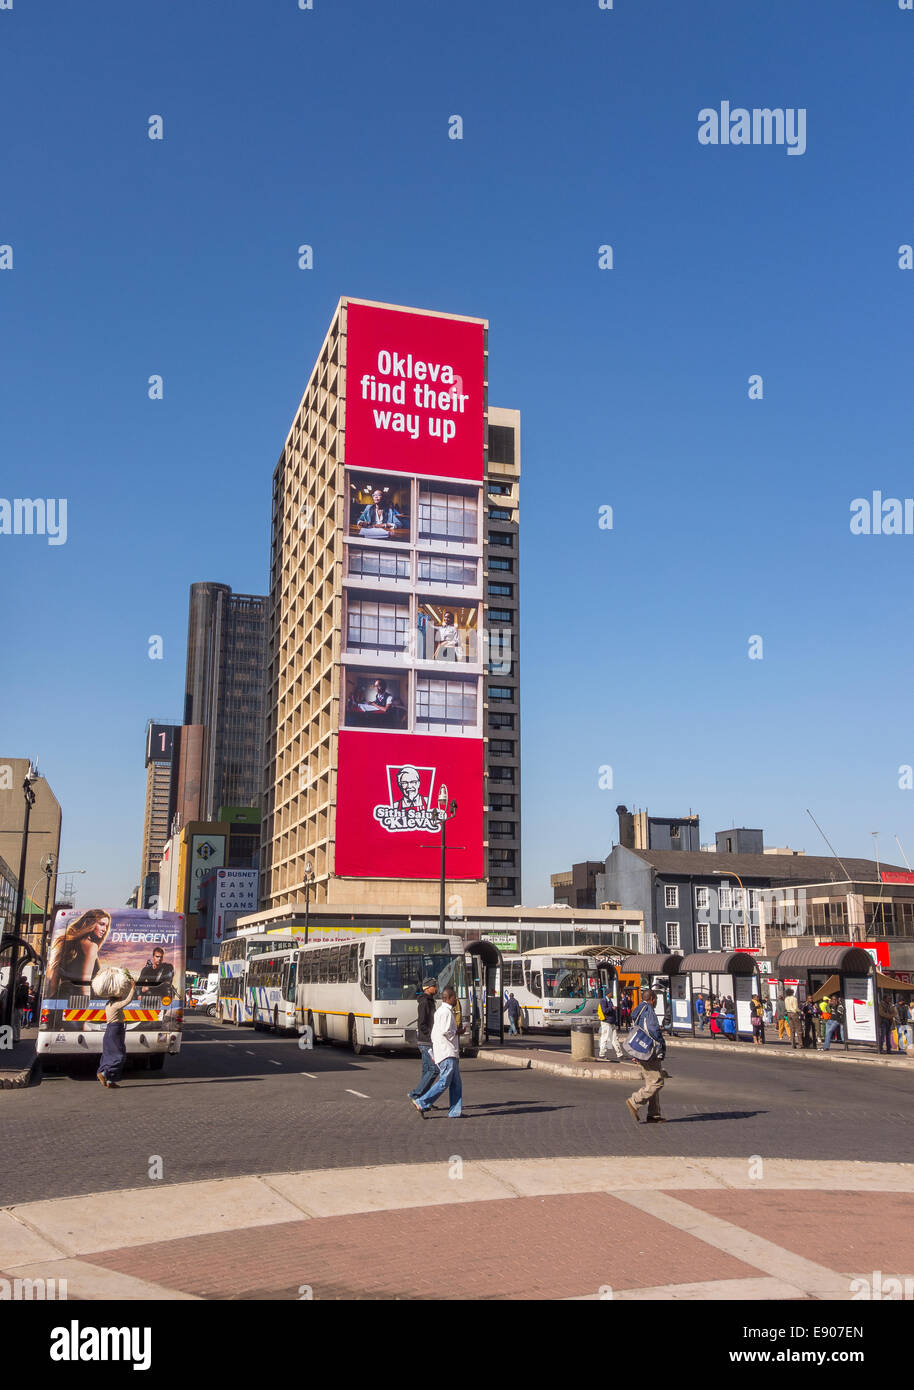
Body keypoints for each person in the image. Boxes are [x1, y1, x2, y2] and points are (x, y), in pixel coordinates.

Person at [412, 985, 462, 1117]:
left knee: (456, 1084)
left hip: (448, 1051)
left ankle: (455, 1112)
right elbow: (447, 1032)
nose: (456, 999)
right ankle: (422, 1102)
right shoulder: (445, 1012)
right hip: (447, 1052)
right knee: (444, 1081)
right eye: (455, 997)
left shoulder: (440, 1011)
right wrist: (458, 1032)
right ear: (449, 998)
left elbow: (435, 1033)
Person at [44, 908, 111, 995]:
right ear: (90, 923)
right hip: (79, 1000)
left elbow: (54, 975)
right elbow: (84, 984)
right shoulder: (91, 946)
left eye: (106, 926)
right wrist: (86, 1005)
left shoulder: (67, 942)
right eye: (102, 924)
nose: (104, 929)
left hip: (61, 995)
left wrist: (51, 999)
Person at [625, 989, 667, 1123]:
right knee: (657, 1082)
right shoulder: (648, 1010)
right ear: (653, 999)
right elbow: (653, 1030)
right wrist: (661, 1046)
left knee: (650, 1081)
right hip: (650, 1051)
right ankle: (635, 1100)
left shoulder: (639, 1009)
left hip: (640, 1049)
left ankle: (653, 1114)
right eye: (656, 1000)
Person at [97, 973, 136, 1088]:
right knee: (119, 1055)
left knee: (108, 1054)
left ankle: (110, 1081)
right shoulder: (116, 1005)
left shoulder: (108, 1004)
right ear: (117, 997)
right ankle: (104, 1074)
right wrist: (133, 988)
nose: (121, 996)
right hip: (116, 1030)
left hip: (109, 1031)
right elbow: (128, 1000)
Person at [408, 977, 439, 1103]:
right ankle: (416, 1095)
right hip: (426, 1042)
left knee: (426, 1071)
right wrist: (431, 1036)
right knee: (434, 1070)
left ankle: (423, 1100)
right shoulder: (425, 1003)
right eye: (434, 986)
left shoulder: (430, 1001)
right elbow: (422, 1024)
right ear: (428, 988)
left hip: (427, 1041)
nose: (436, 988)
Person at [596, 992, 624, 1061]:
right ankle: (602, 1054)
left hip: (612, 1022)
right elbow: (604, 1011)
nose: (612, 994)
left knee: (615, 1038)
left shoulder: (609, 1000)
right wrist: (612, 1008)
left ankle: (619, 1054)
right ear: (608, 994)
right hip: (606, 1022)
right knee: (605, 1038)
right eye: (611, 993)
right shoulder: (603, 1001)